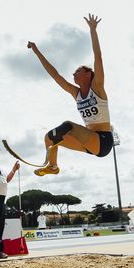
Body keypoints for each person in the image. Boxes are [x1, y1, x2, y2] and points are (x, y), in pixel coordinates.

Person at [27, 13, 113, 176]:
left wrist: (93, 30)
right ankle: (53, 167)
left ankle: (52, 164)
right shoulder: (76, 93)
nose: (74, 73)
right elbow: (56, 75)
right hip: (87, 142)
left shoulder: (98, 87)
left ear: (88, 74)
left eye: (78, 71)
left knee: (68, 125)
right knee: (49, 138)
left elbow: (98, 58)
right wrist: (37, 52)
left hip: (102, 141)